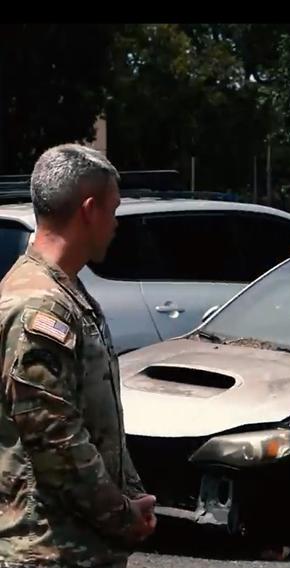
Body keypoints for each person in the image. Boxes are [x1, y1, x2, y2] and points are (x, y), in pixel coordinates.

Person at [0, 144, 156, 567]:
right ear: (89, 210)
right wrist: (121, 514)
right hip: (50, 549)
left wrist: (131, 492)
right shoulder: (41, 306)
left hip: (77, 542)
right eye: (114, 208)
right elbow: (56, 441)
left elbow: (92, 416)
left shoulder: (65, 291)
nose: (116, 224)